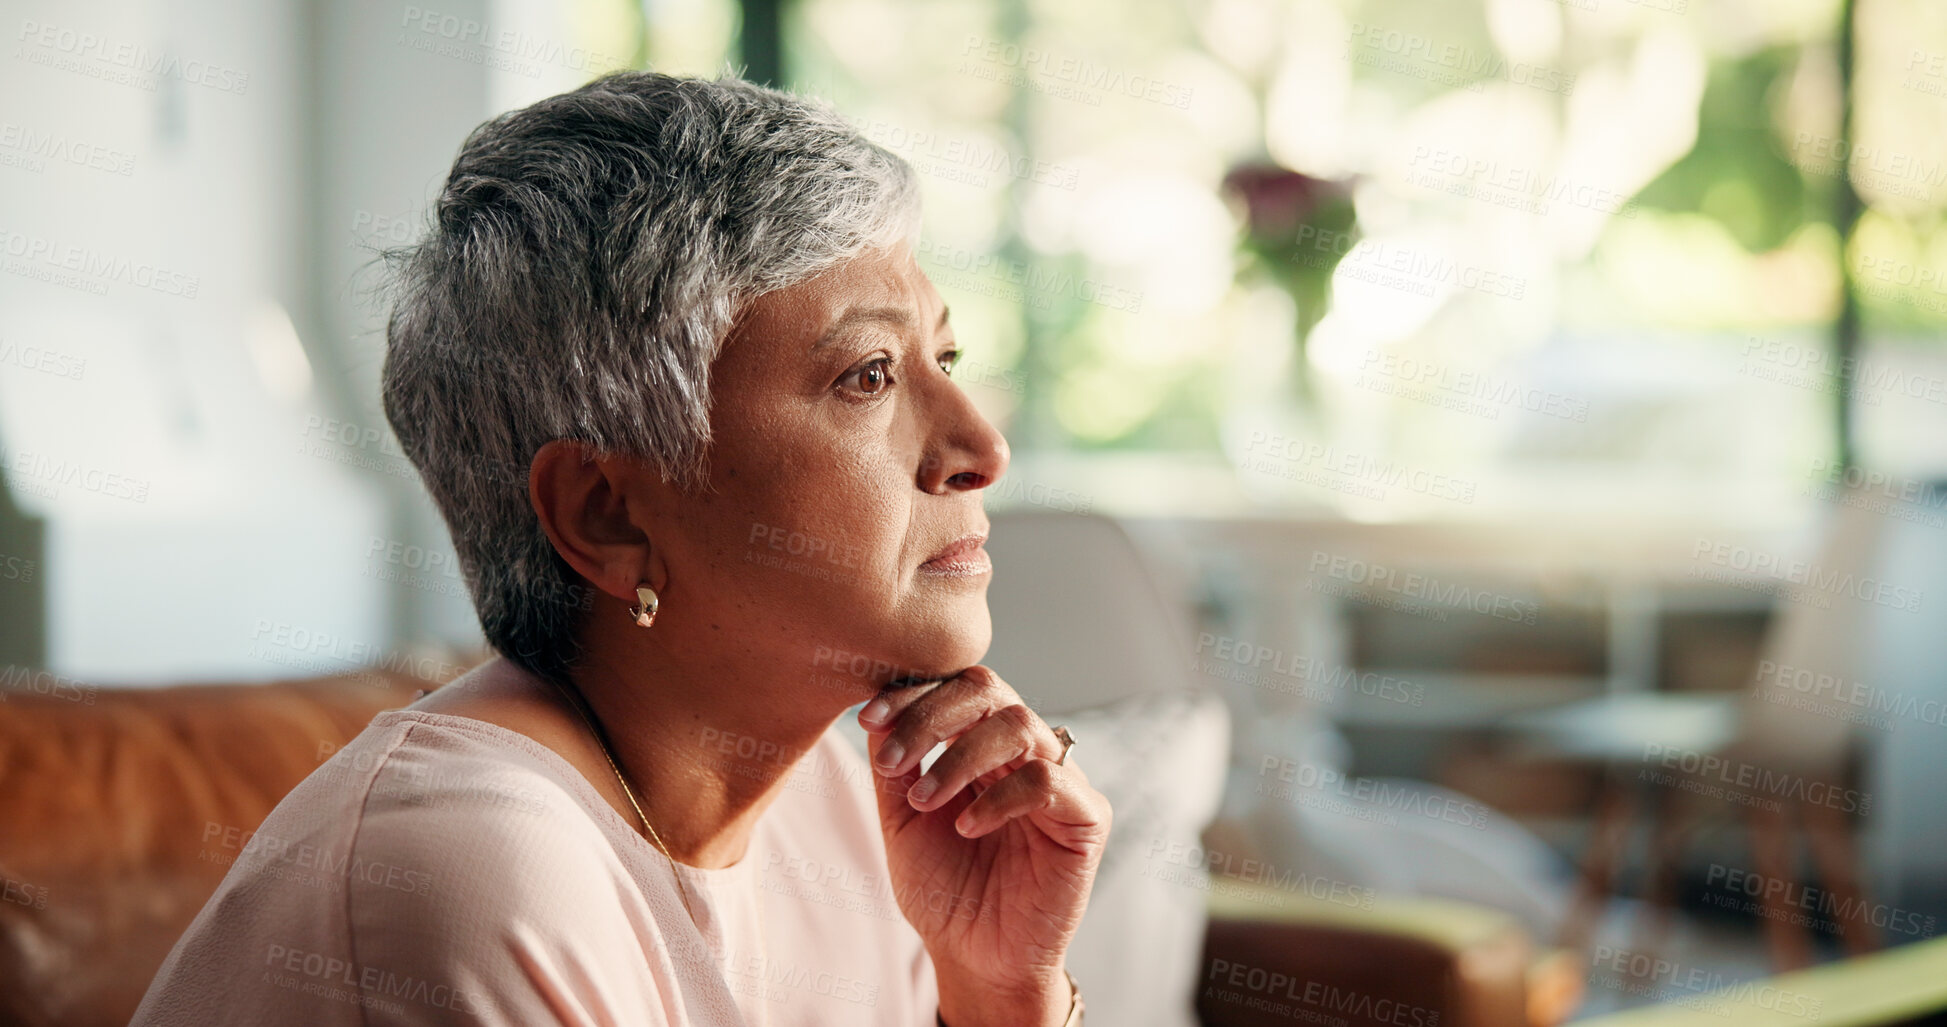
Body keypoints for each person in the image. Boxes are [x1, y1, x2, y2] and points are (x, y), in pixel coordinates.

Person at [132, 70, 1108, 1027]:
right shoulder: (468, 865)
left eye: (946, 358)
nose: (982, 449)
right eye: (869, 375)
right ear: (609, 516)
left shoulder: (833, 801)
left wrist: (1000, 992)